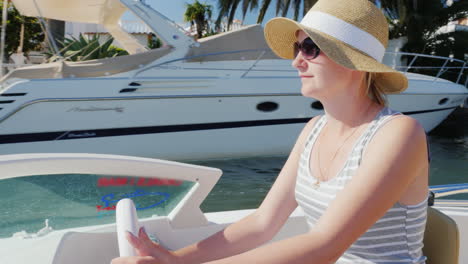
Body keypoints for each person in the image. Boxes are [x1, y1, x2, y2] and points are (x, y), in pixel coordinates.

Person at [112, 0, 429, 263]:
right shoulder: (314, 130)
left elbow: (324, 246)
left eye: (310, 48)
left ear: (353, 62)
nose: (296, 62)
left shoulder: (398, 134)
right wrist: (177, 259)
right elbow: (263, 223)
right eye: (296, 48)